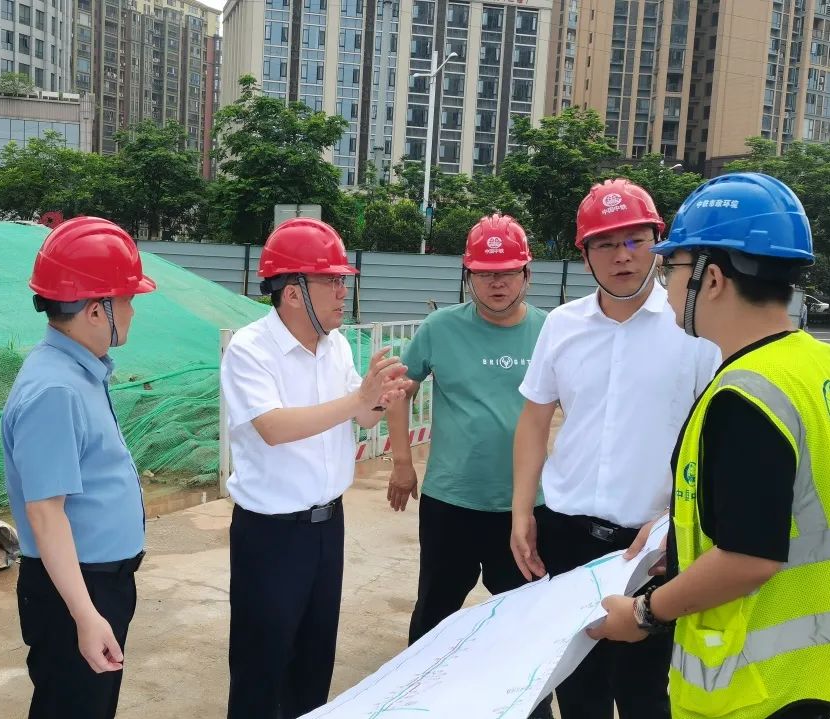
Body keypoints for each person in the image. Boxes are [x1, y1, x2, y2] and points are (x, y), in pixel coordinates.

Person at [590, 173, 830, 719]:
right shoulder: (816, 365)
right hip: (814, 673)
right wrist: (680, 537)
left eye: (673, 267)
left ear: (712, 278)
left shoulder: (745, 396)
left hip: (754, 689)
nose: (667, 284)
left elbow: (748, 557)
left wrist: (644, 614)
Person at [510, 178, 721, 719]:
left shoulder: (694, 330)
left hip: (650, 547)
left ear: (659, 244)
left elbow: (715, 440)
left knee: (646, 694)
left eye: (635, 240)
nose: (622, 256)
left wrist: (675, 522)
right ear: (584, 255)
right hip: (566, 535)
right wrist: (521, 511)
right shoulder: (562, 325)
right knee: (577, 688)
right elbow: (534, 420)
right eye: (605, 244)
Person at [220, 217, 410, 719]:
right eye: (332, 281)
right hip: (271, 534)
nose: (343, 292)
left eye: (343, 281)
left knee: (314, 660)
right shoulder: (250, 349)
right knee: (262, 666)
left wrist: (379, 399)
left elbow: (359, 416)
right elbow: (273, 427)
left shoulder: (336, 345)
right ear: (292, 293)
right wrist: (358, 400)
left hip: (328, 527)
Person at [386, 214, 553, 717]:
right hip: (451, 502)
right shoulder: (440, 329)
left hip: (525, 508)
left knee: (528, 622)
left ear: (527, 274)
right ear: (468, 275)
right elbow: (399, 390)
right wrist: (401, 462)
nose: (497, 283)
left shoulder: (551, 331)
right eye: (484, 273)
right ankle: (414, 701)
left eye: (507, 272)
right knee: (434, 614)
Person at [2, 217, 155, 719]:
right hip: (76, 590)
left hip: (95, 583)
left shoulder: (78, 372)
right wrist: (86, 615)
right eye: (126, 299)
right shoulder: (56, 390)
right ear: (95, 310)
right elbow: (46, 512)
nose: (133, 310)